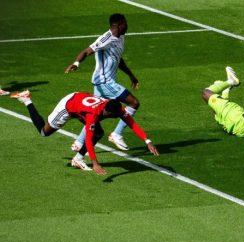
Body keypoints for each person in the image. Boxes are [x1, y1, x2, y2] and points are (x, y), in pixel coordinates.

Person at [10, 90, 159, 175]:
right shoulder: (93, 115)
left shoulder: (116, 107)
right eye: (113, 116)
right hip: (69, 106)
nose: (115, 117)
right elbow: (87, 139)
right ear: (107, 112)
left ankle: (78, 159)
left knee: (99, 133)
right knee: (44, 132)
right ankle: (26, 99)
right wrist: (95, 163)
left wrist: (147, 140)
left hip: (81, 104)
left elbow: (131, 122)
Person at [65, 13, 139, 151]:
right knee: (134, 103)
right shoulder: (106, 39)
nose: (127, 25)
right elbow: (87, 51)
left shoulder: (121, 37)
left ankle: (79, 143)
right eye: (125, 23)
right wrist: (76, 63)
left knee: (97, 114)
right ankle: (116, 134)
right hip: (105, 82)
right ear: (118, 24)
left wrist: (131, 75)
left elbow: (118, 59)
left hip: (103, 82)